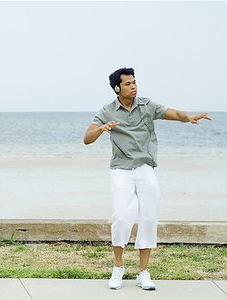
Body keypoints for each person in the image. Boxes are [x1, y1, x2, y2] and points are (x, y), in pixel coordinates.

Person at [83, 67, 211, 290]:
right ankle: (118, 267)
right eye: (128, 84)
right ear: (117, 88)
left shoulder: (147, 105)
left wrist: (188, 117)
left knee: (149, 218)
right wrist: (102, 129)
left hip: (146, 168)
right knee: (122, 217)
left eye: (134, 82)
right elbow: (87, 138)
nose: (133, 86)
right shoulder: (106, 111)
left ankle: (143, 273)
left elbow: (171, 113)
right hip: (121, 169)